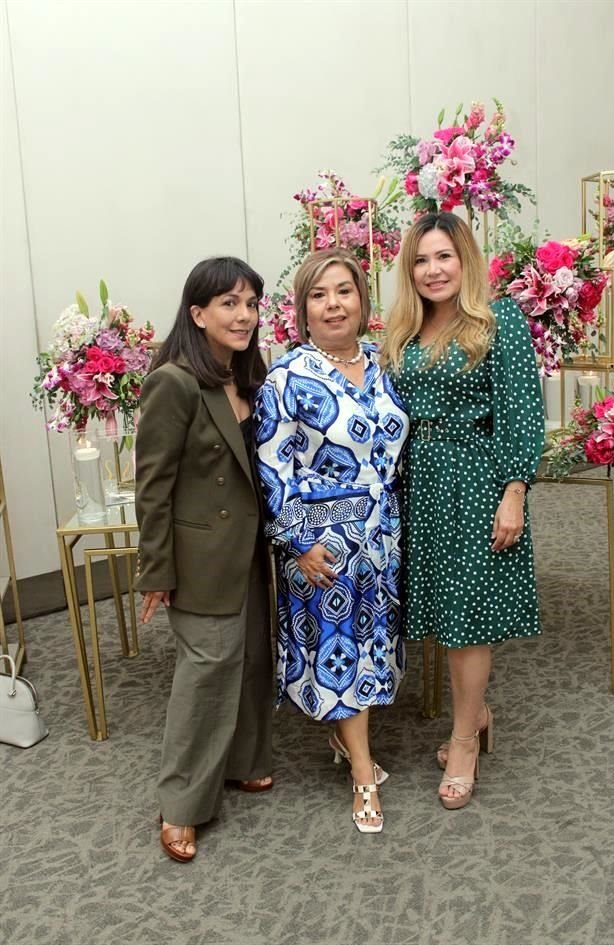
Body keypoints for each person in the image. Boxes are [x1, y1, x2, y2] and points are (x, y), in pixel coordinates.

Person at [382, 212, 545, 810]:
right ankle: (477, 715)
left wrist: (514, 492)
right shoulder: (405, 330)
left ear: (465, 260)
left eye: (444, 257)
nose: (433, 270)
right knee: (447, 616)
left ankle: (463, 742)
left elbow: (522, 413)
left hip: (477, 483)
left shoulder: (499, 322)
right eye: (421, 260)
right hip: (422, 485)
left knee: (469, 618)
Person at [255, 248, 409, 834]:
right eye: (319, 295)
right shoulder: (286, 377)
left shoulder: (384, 361)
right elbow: (273, 468)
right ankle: (364, 774)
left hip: (382, 534)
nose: (333, 304)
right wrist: (297, 544)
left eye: (344, 291)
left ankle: (348, 744)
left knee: (371, 646)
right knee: (338, 653)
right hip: (321, 543)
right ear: (303, 310)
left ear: (363, 300)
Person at [135, 256, 273, 862]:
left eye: (250, 304)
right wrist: (156, 572)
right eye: (229, 304)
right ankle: (181, 805)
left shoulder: (245, 374)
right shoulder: (175, 381)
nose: (243, 316)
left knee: (249, 658)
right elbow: (153, 486)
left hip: (248, 550)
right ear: (198, 313)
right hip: (199, 555)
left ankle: (242, 763)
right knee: (207, 669)